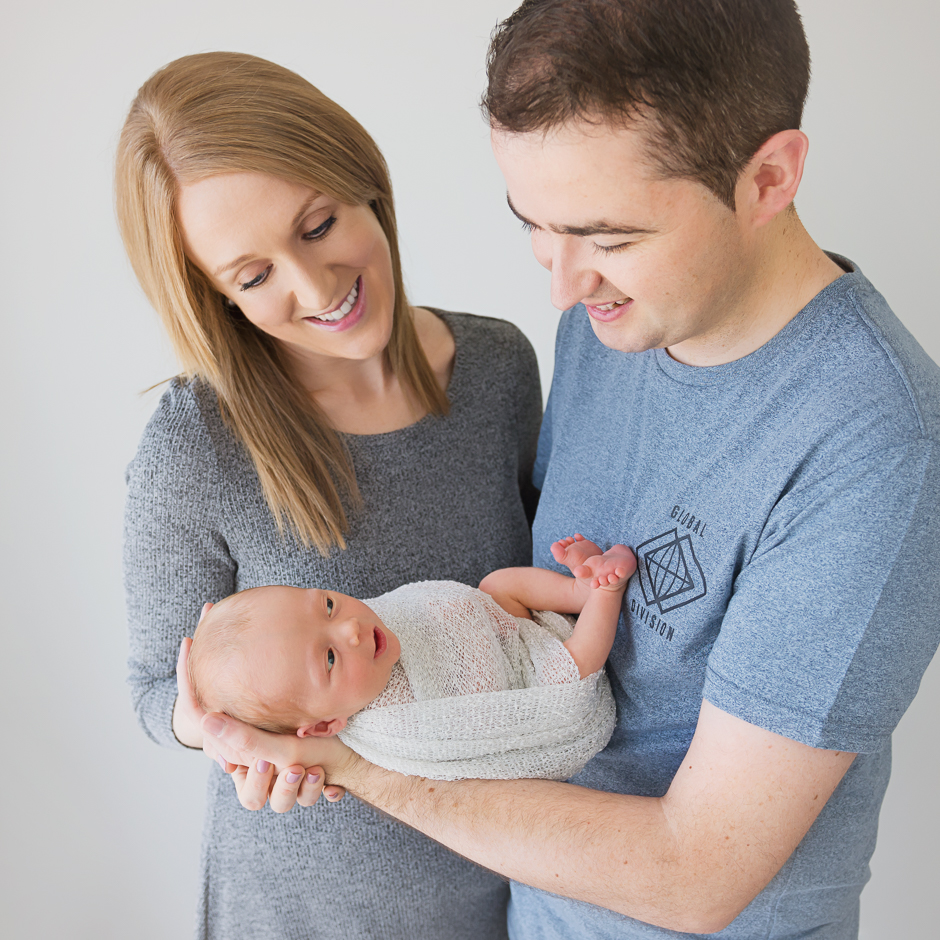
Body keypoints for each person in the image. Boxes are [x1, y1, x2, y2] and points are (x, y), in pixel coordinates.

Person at [201, 3, 940, 939]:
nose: (561, 283)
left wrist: (348, 763)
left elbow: (696, 875)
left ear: (770, 177)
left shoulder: (875, 446)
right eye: (534, 227)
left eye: (609, 237)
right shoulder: (611, 317)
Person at [118, 51, 543, 940]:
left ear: (364, 183)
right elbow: (158, 687)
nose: (314, 289)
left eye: (316, 226)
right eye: (252, 275)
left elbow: (530, 615)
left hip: (512, 881)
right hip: (299, 913)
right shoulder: (199, 443)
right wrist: (230, 736)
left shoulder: (499, 369)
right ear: (216, 298)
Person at [184, 538, 634, 779]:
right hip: (530, 688)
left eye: (326, 606)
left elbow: (447, 608)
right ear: (324, 726)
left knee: (497, 584)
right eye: (329, 659)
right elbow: (478, 740)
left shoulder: (375, 627)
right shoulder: (398, 730)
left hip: (508, 624)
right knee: (569, 671)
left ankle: (577, 588)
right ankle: (604, 592)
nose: (352, 629)